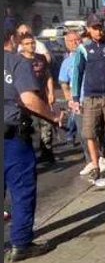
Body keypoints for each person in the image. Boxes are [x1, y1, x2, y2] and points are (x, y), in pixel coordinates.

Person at [4, 29, 61, 261]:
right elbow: (29, 100)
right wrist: (53, 116)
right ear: (12, 39)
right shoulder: (16, 62)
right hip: (11, 136)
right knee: (21, 190)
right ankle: (21, 243)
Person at [71, 14, 105, 186]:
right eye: (94, 28)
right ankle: (95, 164)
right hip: (91, 97)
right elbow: (77, 73)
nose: (98, 30)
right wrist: (75, 97)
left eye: (100, 27)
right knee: (89, 133)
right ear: (88, 29)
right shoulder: (83, 49)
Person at [18, 33, 55, 164]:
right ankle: (29, 156)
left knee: (47, 127)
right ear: (22, 46)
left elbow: (48, 75)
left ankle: (47, 153)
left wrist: (51, 92)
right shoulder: (19, 60)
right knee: (28, 128)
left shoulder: (41, 58)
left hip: (43, 98)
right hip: (26, 101)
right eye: (27, 44)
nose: (31, 46)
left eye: (32, 43)